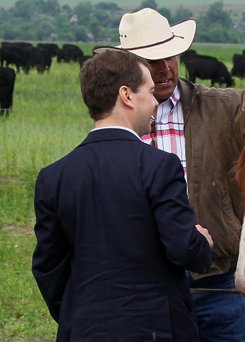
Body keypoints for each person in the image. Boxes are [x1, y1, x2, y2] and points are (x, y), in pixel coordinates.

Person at [97, 8, 245, 342]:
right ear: (130, 66)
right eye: (151, 61)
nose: (163, 70)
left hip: (216, 286)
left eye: (169, 57)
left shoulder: (223, 107)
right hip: (144, 290)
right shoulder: (116, 120)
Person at [32, 49, 214, 341]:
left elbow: (48, 267)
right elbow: (183, 248)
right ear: (127, 95)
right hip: (158, 330)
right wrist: (203, 242)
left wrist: (80, 314)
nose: (156, 102)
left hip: (83, 330)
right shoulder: (160, 166)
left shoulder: (53, 177)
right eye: (150, 92)